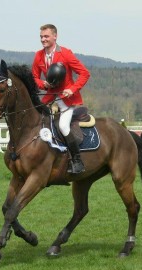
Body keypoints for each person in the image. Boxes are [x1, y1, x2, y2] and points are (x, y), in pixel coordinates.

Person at [32, 24, 90, 174]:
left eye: (46, 36)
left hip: (67, 100)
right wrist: (42, 84)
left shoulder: (66, 54)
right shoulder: (38, 55)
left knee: (63, 126)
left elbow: (84, 74)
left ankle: (77, 161)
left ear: (55, 36)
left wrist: (72, 89)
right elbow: (34, 77)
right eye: (41, 37)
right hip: (49, 98)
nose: (43, 39)